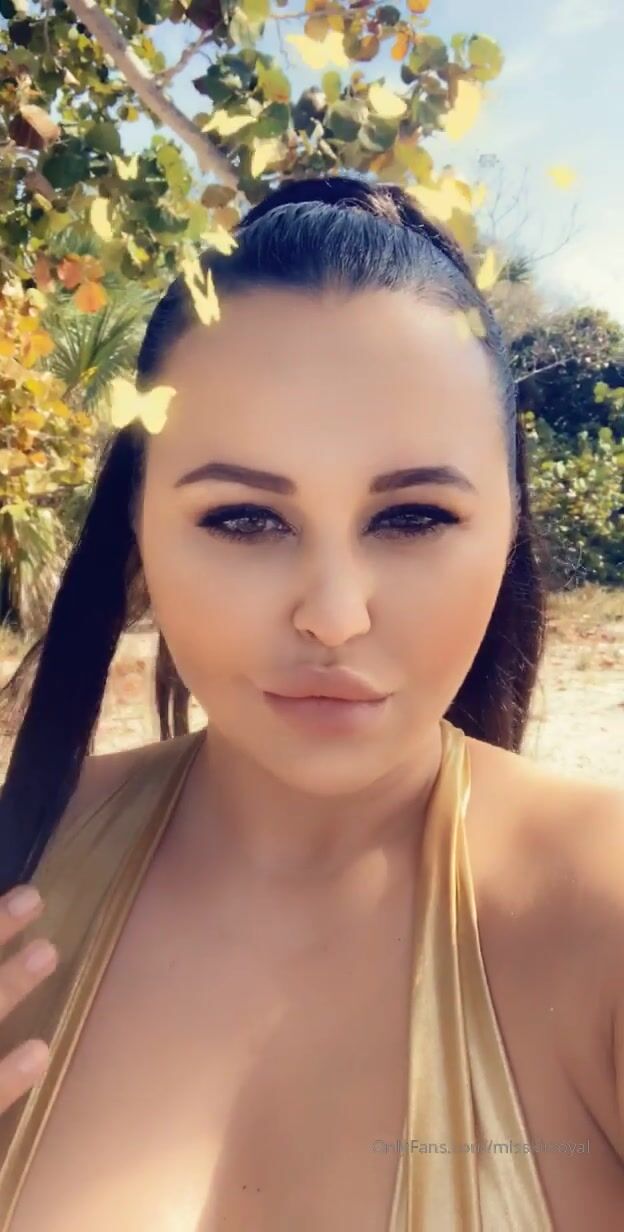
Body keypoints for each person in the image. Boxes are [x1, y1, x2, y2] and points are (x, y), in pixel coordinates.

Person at [0, 173, 622, 1231]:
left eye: (415, 517)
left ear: (510, 522)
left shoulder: (603, 917)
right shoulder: (18, 864)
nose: (334, 615)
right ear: (139, 528)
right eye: (244, 519)